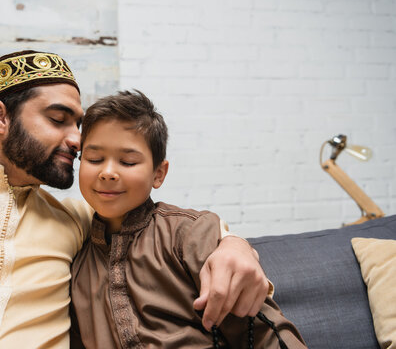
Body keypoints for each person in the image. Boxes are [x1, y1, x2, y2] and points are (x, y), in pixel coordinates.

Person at [0, 50, 268, 349]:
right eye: (58, 120)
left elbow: (165, 221)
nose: (76, 139)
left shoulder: (76, 217)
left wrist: (234, 245)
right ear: (0, 117)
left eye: (78, 124)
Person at [70, 90, 306, 348]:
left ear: (159, 173)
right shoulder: (76, 256)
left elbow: (263, 330)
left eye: (127, 162)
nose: (108, 172)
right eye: (94, 159)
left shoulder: (187, 233)